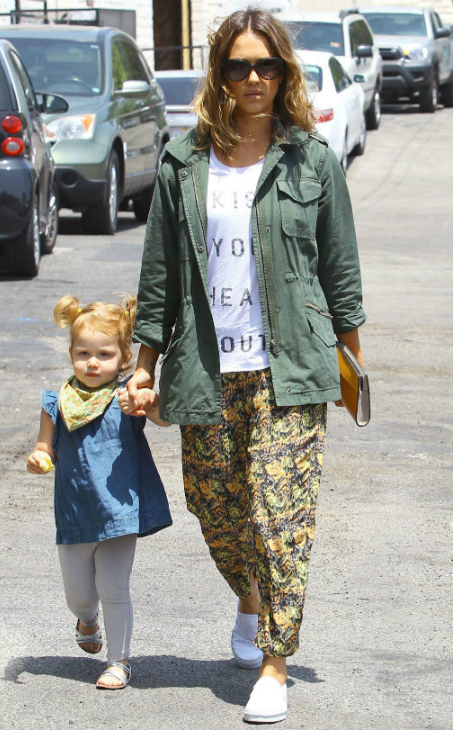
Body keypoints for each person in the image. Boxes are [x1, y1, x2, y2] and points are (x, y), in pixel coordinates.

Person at [124, 6, 366, 723]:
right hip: (205, 366)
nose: (253, 77)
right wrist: (142, 365)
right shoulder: (181, 162)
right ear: (220, 74)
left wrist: (354, 368)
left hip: (288, 369)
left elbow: (341, 271)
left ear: (283, 72)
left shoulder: (310, 160)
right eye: (239, 66)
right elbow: (160, 274)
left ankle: (274, 661)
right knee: (218, 510)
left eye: (266, 65)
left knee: (278, 515)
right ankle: (252, 594)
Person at [27, 295, 172, 690]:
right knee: (79, 595)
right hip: (75, 511)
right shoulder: (56, 403)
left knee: (113, 587)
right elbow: (45, 445)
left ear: (124, 358)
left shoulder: (125, 397)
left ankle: (119, 662)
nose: (93, 362)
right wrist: (39, 457)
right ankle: (86, 619)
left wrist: (148, 400)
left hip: (120, 509)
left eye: (104, 354)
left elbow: (162, 418)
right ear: (71, 353)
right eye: (83, 353)